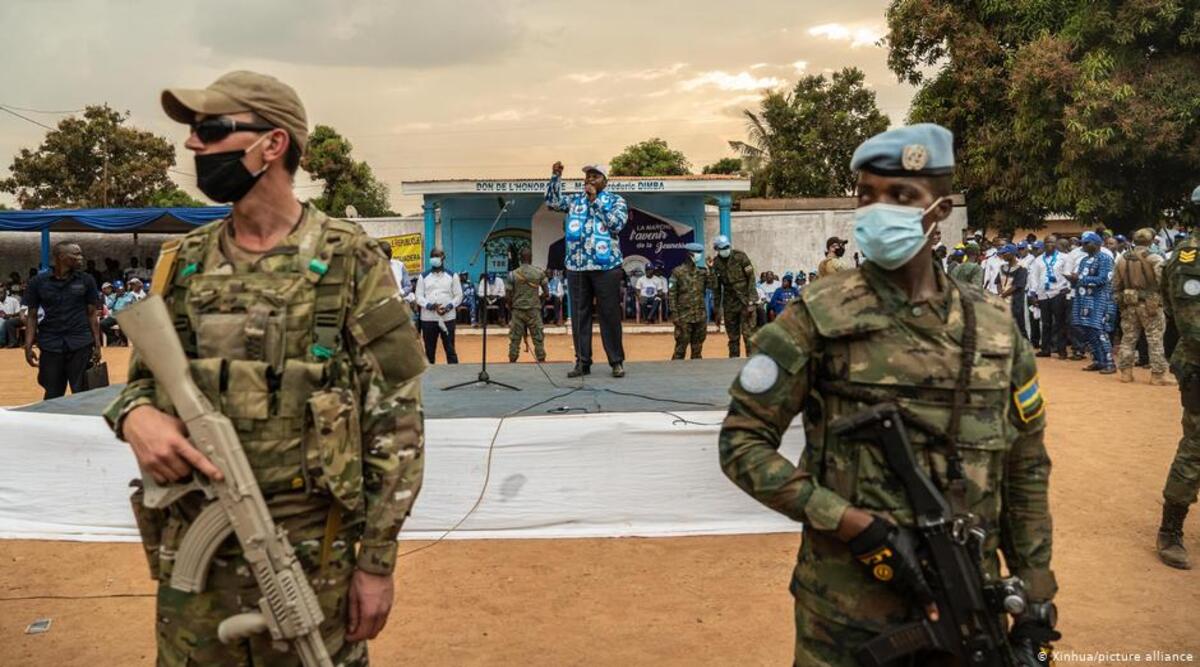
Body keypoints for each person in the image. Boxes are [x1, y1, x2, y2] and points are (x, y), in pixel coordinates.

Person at [102, 70, 426, 666]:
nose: (193, 145)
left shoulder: (350, 260)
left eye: (211, 129)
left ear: (272, 145)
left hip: (311, 559)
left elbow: (397, 424)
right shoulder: (184, 262)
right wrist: (137, 417)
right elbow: (141, 384)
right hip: (193, 567)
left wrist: (377, 563)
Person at [719, 123, 1057, 664]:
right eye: (867, 195)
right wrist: (848, 522)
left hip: (967, 604)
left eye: (901, 196)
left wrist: (1035, 591)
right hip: (843, 616)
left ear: (940, 208)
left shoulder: (995, 331)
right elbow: (742, 442)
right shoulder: (815, 317)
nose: (880, 210)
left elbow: (1025, 467)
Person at [545, 161, 628, 378]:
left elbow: (616, 225)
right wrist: (556, 177)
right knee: (580, 316)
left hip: (606, 266)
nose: (589, 180)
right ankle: (582, 362)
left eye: (595, 176)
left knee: (609, 314)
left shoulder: (616, 201)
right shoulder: (574, 201)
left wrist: (595, 202)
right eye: (587, 176)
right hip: (577, 266)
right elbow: (552, 202)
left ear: (605, 181)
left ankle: (616, 361)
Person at [1156, 185, 1200, 570]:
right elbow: (1192, 325)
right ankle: (1171, 529)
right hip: (1199, 364)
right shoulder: (1190, 258)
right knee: (1196, 446)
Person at [23, 241, 103, 400]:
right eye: (76, 254)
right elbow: (31, 316)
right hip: (50, 344)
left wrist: (97, 344)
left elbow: (92, 313)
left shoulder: (87, 280)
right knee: (53, 394)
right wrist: (28, 345)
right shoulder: (38, 282)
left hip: (80, 343)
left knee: (83, 394)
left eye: (81, 254)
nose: (81, 258)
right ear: (60, 257)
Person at [1114, 228, 1171, 385]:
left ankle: (1125, 373)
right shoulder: (1154, 258)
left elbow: (1115, 284)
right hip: (1151, 305)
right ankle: (1157, 375)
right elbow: (1163, 282)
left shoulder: (1122, 259)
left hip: (1129, 303)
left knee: (1128, 338)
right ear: (1151, 241)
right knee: (1155, 339)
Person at [1072, 231, 1116, 373]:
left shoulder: (1105, 259)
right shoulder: (1084, 260)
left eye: (1086, 243)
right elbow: (1080, 279)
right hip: (1083, 301)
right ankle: (1098, 360)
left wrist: (1080, 280)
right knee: (1087, 332)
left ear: (1097, 244)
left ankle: (1109, 363)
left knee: (1099, 331)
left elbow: (1104, 279)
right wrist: (1074, 280)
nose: (1083, 246)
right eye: (1082, 243)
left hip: (1100, 301)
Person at [709, 234, 757, 358]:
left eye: (726, 247)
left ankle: (751, 361)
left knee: (748, 335)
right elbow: (716, 288)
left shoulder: (740, 257)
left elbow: (751, 278)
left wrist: (752, 301)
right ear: (717, 249)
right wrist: (717, 309)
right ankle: (733, 362)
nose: (725, 250)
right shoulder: (716, 264)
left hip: (745, 301)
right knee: (733, 337)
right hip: (729, 303)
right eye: (722, 248)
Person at [416, 247, 463, 364]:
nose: (434, 259)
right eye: (432, 256)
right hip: (428, 319)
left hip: (447, 318)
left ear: (443, 258)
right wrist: (431, 306)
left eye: (437, 256)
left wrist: (448, 308)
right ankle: (429, 378)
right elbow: (418, 297)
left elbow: (459, 296)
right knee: (429, 351)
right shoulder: (423, 276)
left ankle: (455, 375)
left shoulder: (453, 276)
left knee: (450, 350)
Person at [669, 242, 711, 360]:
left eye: (700, 253)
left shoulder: (702, 272)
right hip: (684, 316)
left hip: (700, 315)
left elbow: (713, 285)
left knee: (697, 349)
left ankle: (695, 374)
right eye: (697, 253)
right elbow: (672, 295)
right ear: (689, 254)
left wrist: (711, 269)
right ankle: (674, 374)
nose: (699, 256)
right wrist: (675, 315)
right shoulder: (677, 272)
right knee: (680, 349)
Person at [507, 247, 548, 363]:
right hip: (534, 310)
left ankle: (512, 359)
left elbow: (508, 295)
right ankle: (541, 358)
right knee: (538, 337)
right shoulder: (539, 272)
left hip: (517, 310)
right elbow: (547, 293)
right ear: (531, 258)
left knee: (514, 338)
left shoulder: (513, 274)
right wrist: (539, 301)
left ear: (520, 259)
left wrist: (511, 307)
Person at [999, 244, 1031, 340]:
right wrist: (1000, 292)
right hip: (1004, 300)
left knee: (1019, 324)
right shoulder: (1002, 267)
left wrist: (1003, 295)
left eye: (1005, 254)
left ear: (1012, 254)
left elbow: (1017, 285)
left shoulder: (1022, 268)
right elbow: (998, 282)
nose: (1003, 255)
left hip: (1016, 301)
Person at [100, 280, 136, 345]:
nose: (120, 290)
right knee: (102, 323)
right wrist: (115, 298)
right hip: (114, 316)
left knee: (123, 326)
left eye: (121, 288)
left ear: (124, 288)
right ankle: (115, 339)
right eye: (118, 289)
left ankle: (124, 342)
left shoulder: (130, 295)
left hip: (125, 316)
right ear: (115, 289)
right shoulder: (112, 296)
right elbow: (109, 307)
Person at [0, 283, 24, 348]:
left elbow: (19, 313)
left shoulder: (13, 300)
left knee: (4, 322)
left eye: (1, 293)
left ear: (5, 292)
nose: (0, 294)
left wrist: (9, 315)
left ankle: (2, 342)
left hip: (11, 319)